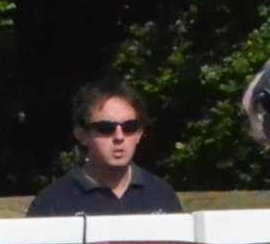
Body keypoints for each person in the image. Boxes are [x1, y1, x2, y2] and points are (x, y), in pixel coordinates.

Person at [28, 77, 183, 217]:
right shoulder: (52, 204)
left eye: (129, 127)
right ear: (81, 134)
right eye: (105, 128)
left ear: (139, 134)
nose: (119, 137)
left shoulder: (162, 195)